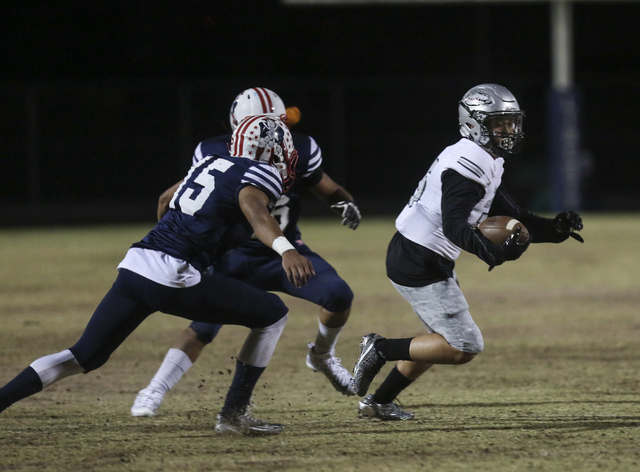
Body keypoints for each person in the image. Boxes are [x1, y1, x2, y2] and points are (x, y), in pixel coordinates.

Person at [0, 114, 315, 436]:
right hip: (172, 275)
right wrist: (286, 249)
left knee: (84, 355)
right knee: (273, 314)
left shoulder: (210, 161)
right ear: (274, 149)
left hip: (137, 264)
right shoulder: (260, 172)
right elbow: (255, 209)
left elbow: (165, 198)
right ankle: (233, 415)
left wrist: (178, 239)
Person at [351, 84, 584, 420]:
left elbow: (512, 213)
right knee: (463, 346)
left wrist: (556, 229)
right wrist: (489, 253)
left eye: (511, 122)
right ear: (474, 124)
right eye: (499, 123)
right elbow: (455, 226)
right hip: (419, 258)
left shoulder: (481, 156)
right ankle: (380, 348)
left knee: (438, 341)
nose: (509, 130)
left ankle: (377, 402)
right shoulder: (468, 162)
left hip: (419, 254)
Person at [130, 87, 361, 417]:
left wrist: (345, 203)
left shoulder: (301, 147)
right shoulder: (214, 152)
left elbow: (326, 186)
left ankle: (321, 355)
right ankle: (154, 389)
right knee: (204, 326)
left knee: (338, 295)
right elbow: (173, 199)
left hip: (283, 254)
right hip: (230, 255)